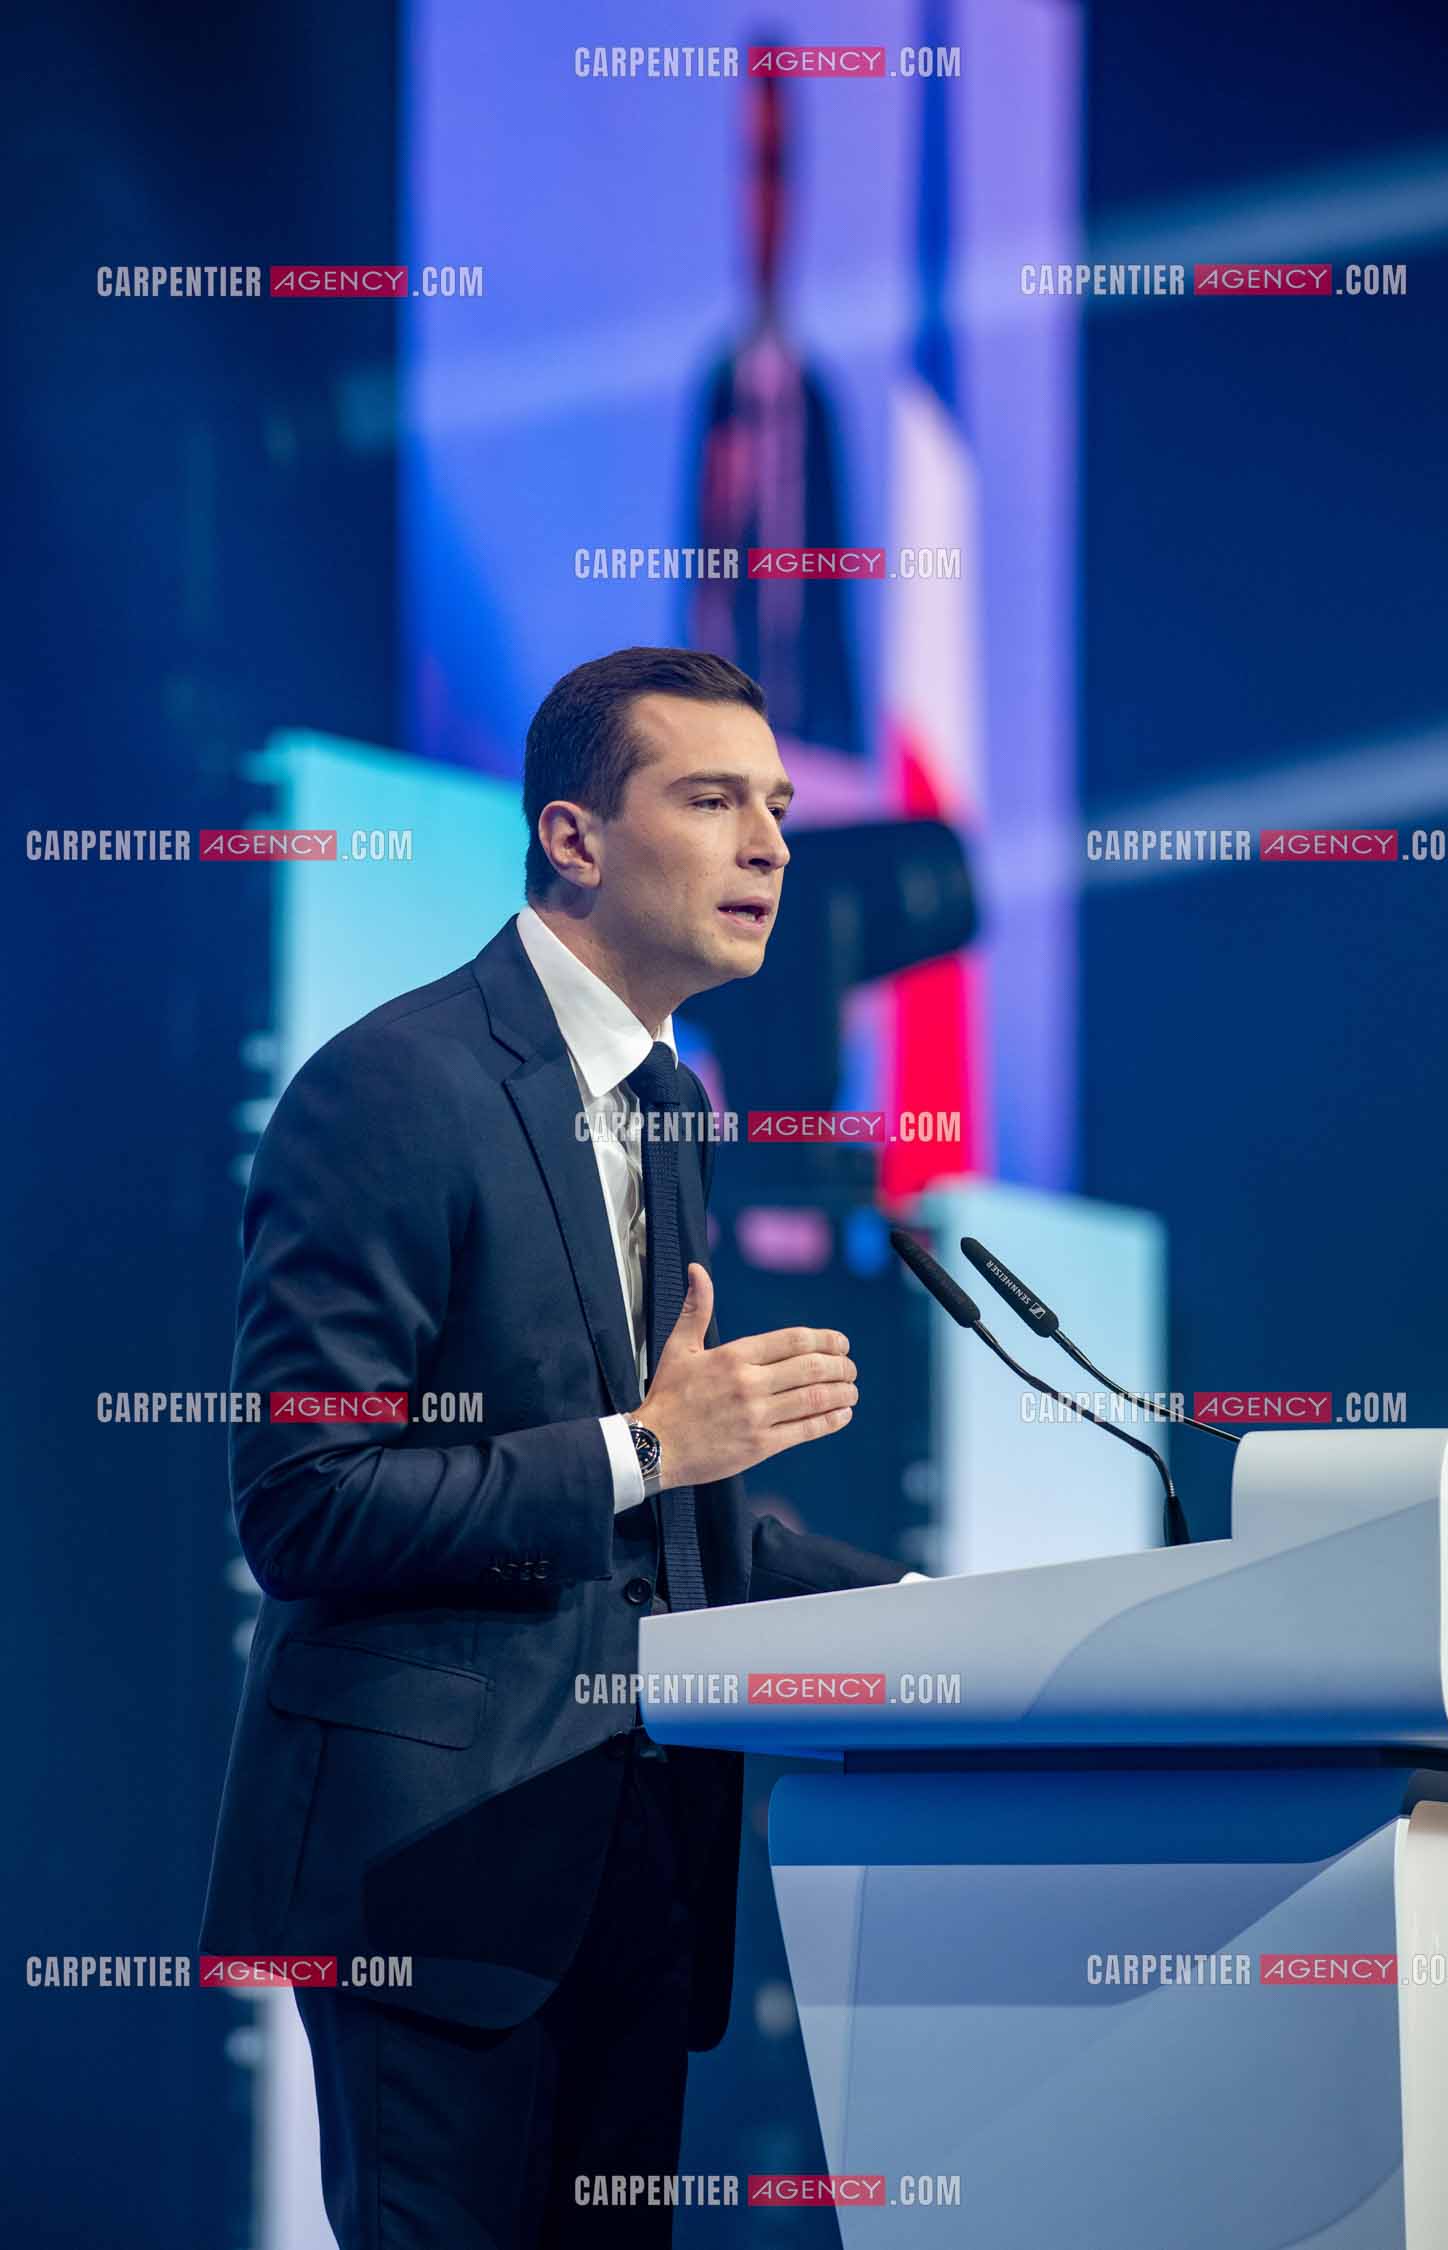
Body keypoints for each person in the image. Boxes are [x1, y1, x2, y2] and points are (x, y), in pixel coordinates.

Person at [199, 646, 924, 2247]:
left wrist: (944, 1606)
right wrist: (646, 1443)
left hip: (635, 1873)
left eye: (782, 808)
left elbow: (675, 1505)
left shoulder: (675, 1112)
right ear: (575, 837)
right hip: (435, 1882)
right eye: (714, 798)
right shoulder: (392, 1089)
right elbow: (305, 1504)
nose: (773, 846)